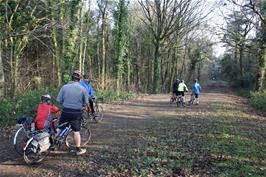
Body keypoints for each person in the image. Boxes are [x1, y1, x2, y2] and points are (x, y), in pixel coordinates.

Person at [56, 70, 88, 155]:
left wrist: (64, 104)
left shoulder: (64, 87)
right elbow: (86, 103)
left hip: (65, 111)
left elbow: (58, 100)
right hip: (76, 113)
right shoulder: (83, 89)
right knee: (76, 131)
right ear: (80, 79)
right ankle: (78, 149)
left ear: (72, 78)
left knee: (59, 128)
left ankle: (51, 143)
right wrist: (82, 106)